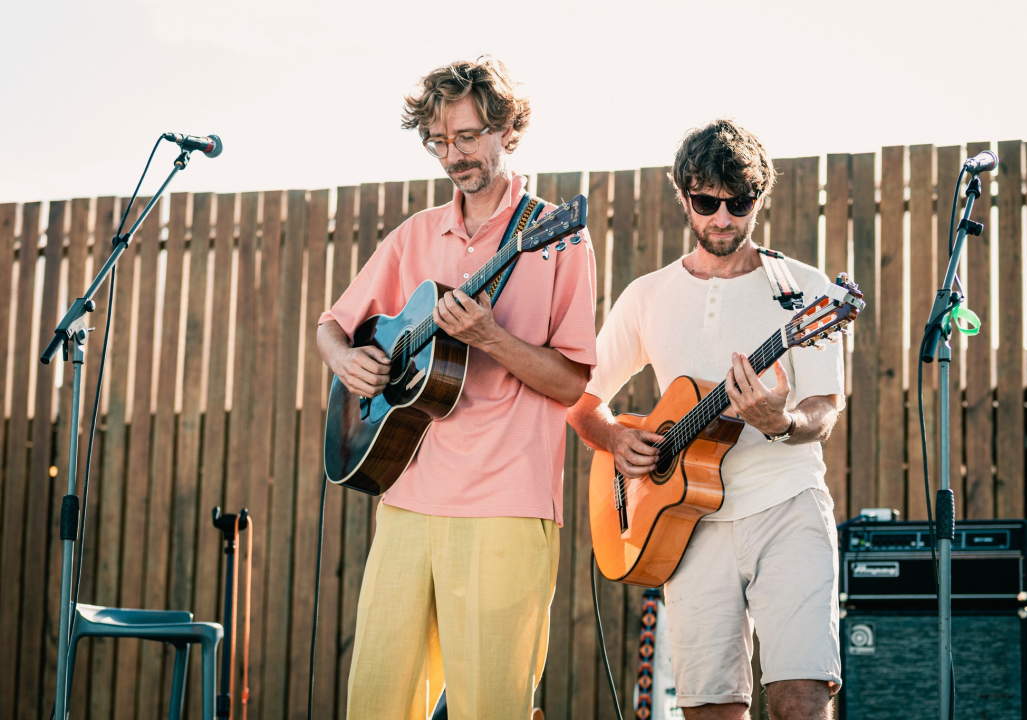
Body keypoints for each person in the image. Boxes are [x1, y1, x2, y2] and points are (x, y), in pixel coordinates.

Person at [317, 58, 597, 719]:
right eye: (440, 141)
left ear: (506, 130)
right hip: (408, 496)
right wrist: (344, 363)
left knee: (491, 708)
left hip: (506, 501)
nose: (453, 156)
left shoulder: (557, 237)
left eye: (468, 136)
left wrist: (493, 339)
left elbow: (572, 384)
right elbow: (333, 325)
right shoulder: (415, 235)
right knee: (376, 703)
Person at [568, 119, 845, 720]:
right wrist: (617, 438)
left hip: (787, 506)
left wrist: (779, 421)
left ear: (758, 199)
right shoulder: (646, 296)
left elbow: (823, 412)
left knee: (802, 698)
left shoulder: (807, 293)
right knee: (709, 709)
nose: (722, 218)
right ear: (684, 198)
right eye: (706, 202)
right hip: (687, 524)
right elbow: (581, 399)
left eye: (738, 203)